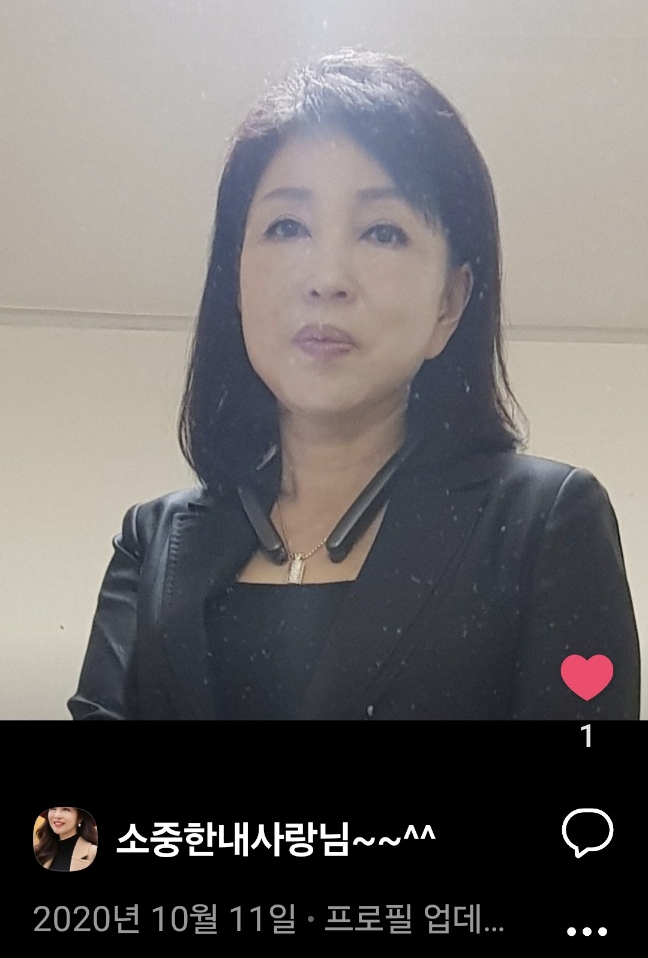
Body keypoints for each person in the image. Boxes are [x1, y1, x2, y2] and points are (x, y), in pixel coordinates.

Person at [67, 50, 641, 721]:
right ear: (236, 279)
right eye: (286, 227)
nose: (327, 278)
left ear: (450, 302)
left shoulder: (542, 525)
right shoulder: (153, 543)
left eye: (382, 232)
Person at [34, 808, 98, 871]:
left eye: (66, 809)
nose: (57, 815)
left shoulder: (92, 854)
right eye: (53, 809)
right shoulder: (39, 852)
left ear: (80, 818)